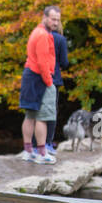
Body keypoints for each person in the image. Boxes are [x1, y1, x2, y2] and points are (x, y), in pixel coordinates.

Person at [19, 6, 61, 165]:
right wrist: (49, 83)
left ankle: (28, 151)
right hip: (40, 78)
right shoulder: (43, 35)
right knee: (42, 117)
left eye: (58, 19)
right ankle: (42, 153)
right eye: (53, 19)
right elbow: (43, 62)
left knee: (30, 115)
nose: (56, 22)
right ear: (45, 17)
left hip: (29, 75)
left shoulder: (36, 31)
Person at [32, 18, 70, 162]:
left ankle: (35, 145)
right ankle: (47, 143)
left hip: (36, 78)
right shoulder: (60, 39)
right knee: (50, 112)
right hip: (53, 78)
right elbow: (65, 62)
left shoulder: (37, 36)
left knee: (37, 111)